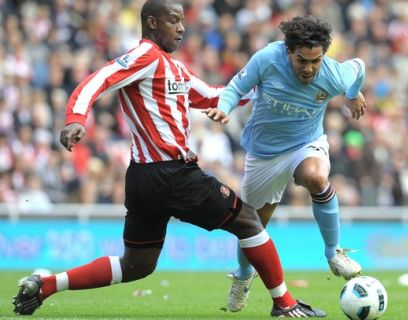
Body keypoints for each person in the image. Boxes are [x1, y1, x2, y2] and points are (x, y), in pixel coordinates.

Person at [12, 2, 326, 318]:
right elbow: (100, 78)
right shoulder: (144, 56)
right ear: (152, 23)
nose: (181, 28)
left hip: (144, 178)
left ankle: (47, 284)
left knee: (136, 265)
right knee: (248, 220)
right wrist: (75, 117)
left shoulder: (173, 68)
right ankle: (284, 304)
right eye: (173, 21)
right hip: (170, 172)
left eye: (181, 21)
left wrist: (261, 86)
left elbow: (213, 96)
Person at [203, 16, 366, 312]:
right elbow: (234, 88)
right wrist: (223, 109)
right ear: (288, 51)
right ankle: (242, 277)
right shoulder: (267, 58)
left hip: (305, 143)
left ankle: (333, 253)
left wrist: (353, 96)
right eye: (302, 60)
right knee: (252, 226)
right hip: (263, 154)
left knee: (317, 177)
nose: (309, 68)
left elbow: (359, 68)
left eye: (316, 61)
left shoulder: (333, 75)